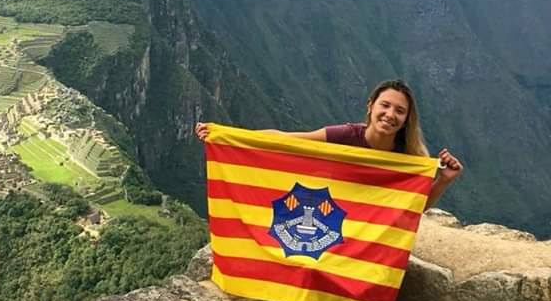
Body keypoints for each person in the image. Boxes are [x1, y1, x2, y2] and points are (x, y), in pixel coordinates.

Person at [195, 78, 463, 210]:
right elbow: (286, 140)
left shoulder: (409, 157)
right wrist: (228, 135)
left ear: (406, 119)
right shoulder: (345, 136)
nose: (390, 115)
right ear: (370, 107)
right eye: (385, 105)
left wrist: (444, 180)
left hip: (371, 233)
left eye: (400, 111)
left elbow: (417, 205)